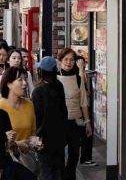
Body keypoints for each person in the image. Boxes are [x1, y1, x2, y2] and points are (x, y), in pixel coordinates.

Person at [57, 48, 92, 180]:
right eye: (66, 59)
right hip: (59, 123)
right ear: (60, 61)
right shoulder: (54, 78)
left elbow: (83, 102)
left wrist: (87, 123)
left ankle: (70, 176)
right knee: (59, 154)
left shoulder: (78, 79)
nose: (69, 62)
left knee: (74, 153)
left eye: (72, 60)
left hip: (75, 122)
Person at [0, 66, 37, 179]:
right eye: (20, 80)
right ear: (9, 84)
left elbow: (33, 133)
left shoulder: (29, 105)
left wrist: (34, 143)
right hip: (8, 163)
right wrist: (18, 144)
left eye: (25, 79)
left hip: (28, 160)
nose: (25, 83)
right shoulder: (0, 107)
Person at [32, 56, 68, 180]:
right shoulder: (59, 86)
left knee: (46, 171)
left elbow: (36, 116)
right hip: (59, 137)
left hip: (43, 138)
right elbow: (64, 111)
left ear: (41, 71)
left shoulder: (38, 91)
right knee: (59, 169)